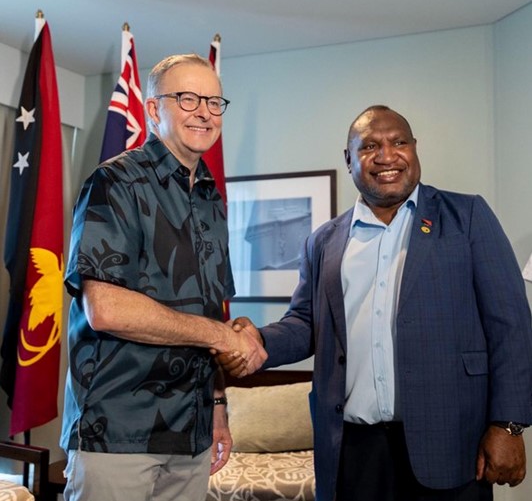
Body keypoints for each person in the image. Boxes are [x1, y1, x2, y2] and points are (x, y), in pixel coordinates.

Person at [222, 105, 532, 501]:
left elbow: (511, 326)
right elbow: (305, 324)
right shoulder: (323, 241)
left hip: (451, 442)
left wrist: (508, 425)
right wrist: (258, 342)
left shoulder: (466, 217)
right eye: (369, 146)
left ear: (415, 149)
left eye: (398, 142)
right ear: (349, 159)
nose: (386, 156)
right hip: (353, 449)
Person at [60, 54, 267, 501]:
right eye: (187, 98)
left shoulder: (210, 197)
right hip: (117, 432)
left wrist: (216, 407)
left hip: (190, 434)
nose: (204, 112)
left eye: (214, 102)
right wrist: (221, 335)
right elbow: (107, 309)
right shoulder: (115, 182)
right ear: (153, 110)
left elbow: (210, 313)